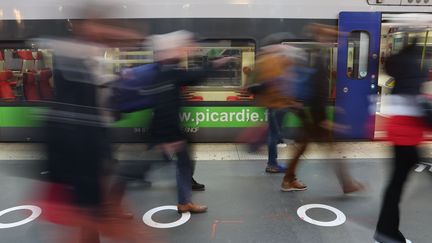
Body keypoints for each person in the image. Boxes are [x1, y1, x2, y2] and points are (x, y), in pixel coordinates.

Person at [147, 30, 231, 213]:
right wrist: (169, 136)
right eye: (185, 46)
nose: (189, 49)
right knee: (143, 168)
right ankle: (109, 202)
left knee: (182, 162)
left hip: (166, 129)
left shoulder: (165, 70)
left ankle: (184, 200)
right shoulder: (168, 71)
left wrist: (212, 65)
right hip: (168, 130)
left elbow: (191, 77)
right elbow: (166, 103)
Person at [374, 37, 428, 243]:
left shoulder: (399, 69)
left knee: (396, 184)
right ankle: (386, 232)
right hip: (408, 138)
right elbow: (421, 110)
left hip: (399, 135)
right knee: (396, 185)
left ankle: (386, 231)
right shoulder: (414, 70)